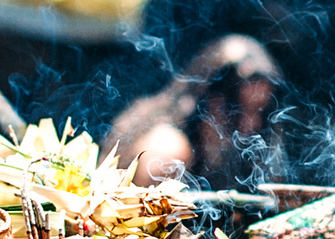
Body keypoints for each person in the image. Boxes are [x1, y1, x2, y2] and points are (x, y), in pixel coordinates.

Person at [104, 35, 286, 187]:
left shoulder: (227, 148)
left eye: (261, 111)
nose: (251, 124)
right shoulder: (167, 150)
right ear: (210, 100)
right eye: (239, 110)